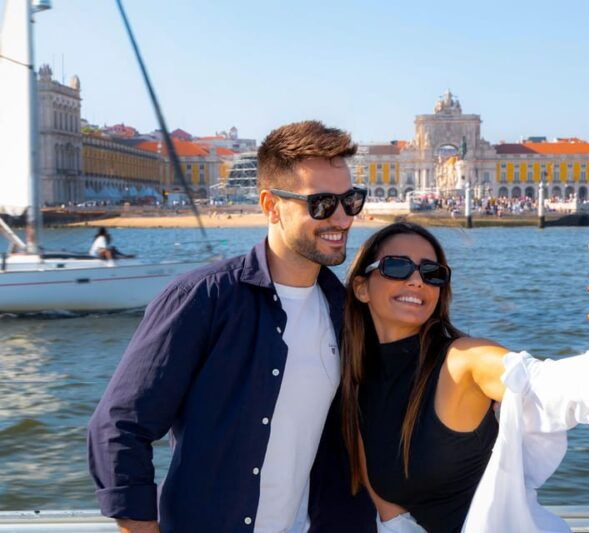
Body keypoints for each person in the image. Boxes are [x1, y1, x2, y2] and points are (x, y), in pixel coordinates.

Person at [87, 121, 376, 533]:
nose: (342, 218)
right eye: (322, 204)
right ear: (271, 206)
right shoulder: (203, 299)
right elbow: (119, 427)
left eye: (351, 200)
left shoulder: (343, 312)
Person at [340, 222, 589, 532]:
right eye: (397, 267)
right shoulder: (359, 385)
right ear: (361, 287)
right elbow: (393, 517)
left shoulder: (462, 361)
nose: (416, 281)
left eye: (432, 273)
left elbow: (542, 384)